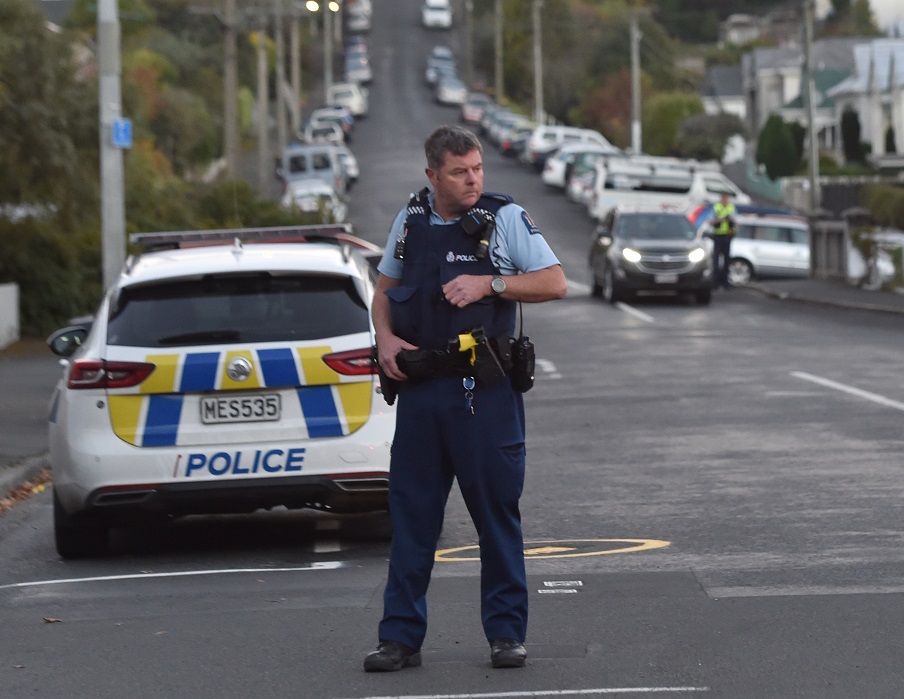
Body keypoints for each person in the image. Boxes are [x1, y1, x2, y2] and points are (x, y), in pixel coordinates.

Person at [364, 125, 567, 672]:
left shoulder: (503, 219)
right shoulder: (410, 222)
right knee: (412, 518)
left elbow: (554, 281)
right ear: (433, 175)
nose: (473, 178)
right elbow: (384, 293)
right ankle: (399, 638)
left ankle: (506, 634)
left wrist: (490, 285)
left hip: (485, 396)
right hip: (422, 396)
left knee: (496, 516)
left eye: (477, 167)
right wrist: (383, 338)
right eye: (459, 171)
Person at [711, 191, 736, 289]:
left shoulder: (731, 208)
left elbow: (737, 222)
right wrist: (720, 219)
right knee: (716, 262)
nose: (725, 200)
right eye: (723, 198)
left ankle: (725, 282)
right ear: (721, 198)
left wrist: (730, 219)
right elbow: (710, 221)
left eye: (727, 198)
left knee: (727, 261)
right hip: (718, 237)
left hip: (727, 236)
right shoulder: (716, 207)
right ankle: (715, 283)